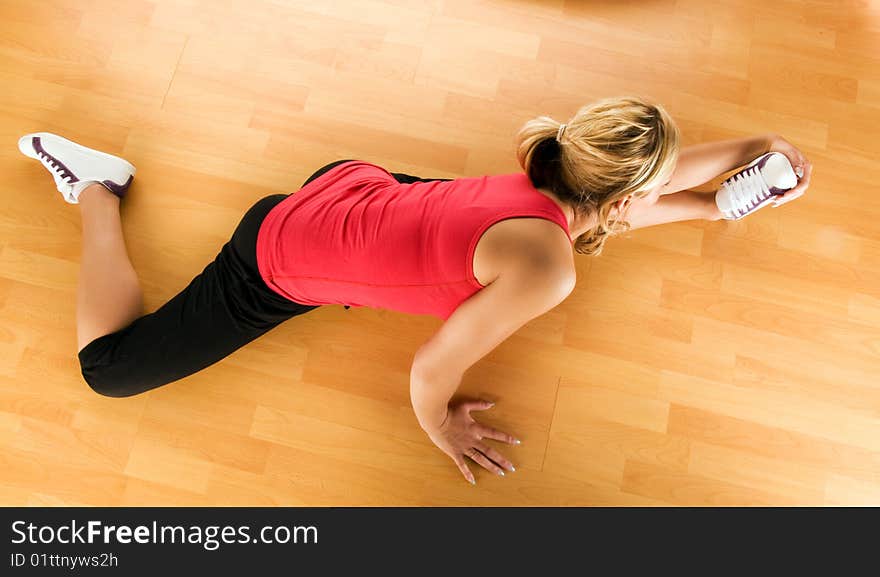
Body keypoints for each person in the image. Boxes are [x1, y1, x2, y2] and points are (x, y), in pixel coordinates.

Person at [17, 95, 812, 484]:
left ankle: (704, 203)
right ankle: (97, 187)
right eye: (655, 190)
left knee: (554, 220)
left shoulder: (555, 167)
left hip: (344, 186)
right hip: (271, 258)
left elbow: (631, 196)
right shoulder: (547, 264)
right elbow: (430, 372)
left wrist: (754, 158)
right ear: (619, 195)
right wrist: (441, 428)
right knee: (109, 371)